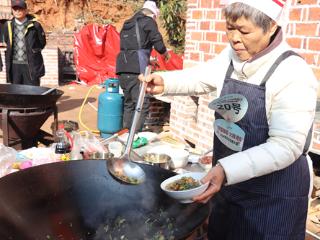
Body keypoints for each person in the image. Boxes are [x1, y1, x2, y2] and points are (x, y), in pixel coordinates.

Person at [139, 0, 318, 239]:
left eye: (243, 31)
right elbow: (202, 77)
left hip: (272, 196)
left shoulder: (292, 73)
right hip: (228, 184)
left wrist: (226, 168)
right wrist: (166, 82)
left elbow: (286, 146)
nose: (233, 38)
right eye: (229, 28)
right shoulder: (232, 56)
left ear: (272, 26)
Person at [116, 0, 170, 131]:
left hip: (122, 67)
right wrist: (164, 52)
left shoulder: (127, 23)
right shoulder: (148, 21)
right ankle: (135, 136)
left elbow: (131, 46)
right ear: (152, 14)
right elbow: (156, 39)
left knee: (129, 103)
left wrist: (147, 59)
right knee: (142, 104)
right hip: (137, 70)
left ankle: (126, 134)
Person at [3, 0, 46, 86]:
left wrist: (33, 51)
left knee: (33, 91)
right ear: (12, 11)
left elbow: (42, 43)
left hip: (31, 65)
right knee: (16, 91)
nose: (18, 11)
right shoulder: (8, 25)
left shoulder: (35, 25)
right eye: (15, 9)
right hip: (14, 65)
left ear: (26, 10)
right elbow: (7, 41)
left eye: (20, 9)